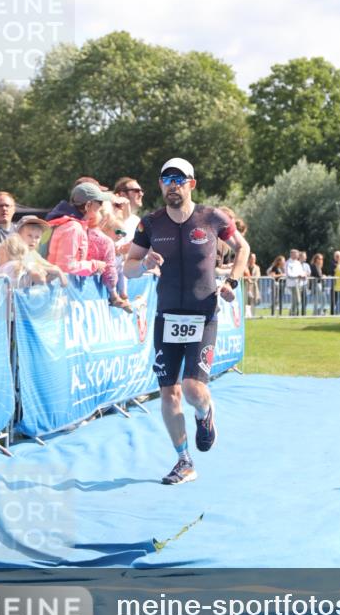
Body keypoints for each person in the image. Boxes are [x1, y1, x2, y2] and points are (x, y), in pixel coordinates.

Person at [124, 157, 249, 485]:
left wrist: (232, 282)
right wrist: (143, 263)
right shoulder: (150, 224)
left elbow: (243, 248)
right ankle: (183, 460)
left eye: (179, 179)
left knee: (194, 390)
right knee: (169, 394)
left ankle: (205, 414)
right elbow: (128, 266)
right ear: (160, 185)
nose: (172, 185)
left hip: (203, 315)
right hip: (166, 317)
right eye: (166, 179)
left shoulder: (213, 218)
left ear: (191, 183)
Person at [47, 182, 110, 276]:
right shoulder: (73, 228)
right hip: (55, 286)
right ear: (88, 206)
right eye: (100, 202)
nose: (101, 206)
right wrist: (95, 265)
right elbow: (66, 267)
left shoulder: (67, 223)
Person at [285, 249, 305, 316]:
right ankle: (293, 313)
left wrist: (303, 275)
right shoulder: (288, 263)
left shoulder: (298, 262)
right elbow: (289, 274)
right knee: (297, 300)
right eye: (296, 254)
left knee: (295, 300)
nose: (298, 255)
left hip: (298, 283)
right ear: (292, 254)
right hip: (292, 284)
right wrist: (298, 276)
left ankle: (292, 313)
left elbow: (301, 271)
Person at [244, 252, 261, 318]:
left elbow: (257, 277)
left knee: (253, 301)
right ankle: (246, 314)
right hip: (245, 286)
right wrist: (247, 279)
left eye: (254, 258)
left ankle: (252, 315)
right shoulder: (245, 267)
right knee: (246, 301)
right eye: (252, 258)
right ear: (249, 259)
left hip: (253, 287)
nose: (254, 259)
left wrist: (250, 280)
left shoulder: (257, 268)